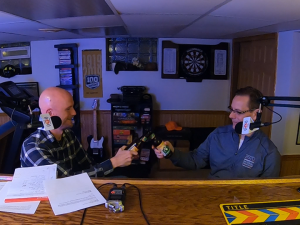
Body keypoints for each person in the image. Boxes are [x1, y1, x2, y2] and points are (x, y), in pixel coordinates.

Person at [153, 86, 281, 179]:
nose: (231, 115)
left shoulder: (269, 151)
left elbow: (267, 190)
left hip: (244, 205)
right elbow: (195, 160)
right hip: (214, 195)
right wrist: (173, 152)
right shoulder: (218, 135)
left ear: (255, 114)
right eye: (231, 109)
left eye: (238, 111)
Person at [20, 87, 137, 177]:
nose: (74, 113)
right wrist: (114, 162)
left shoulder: (68, 135)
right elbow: (65, 181)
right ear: (50, 114)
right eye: (68, 109)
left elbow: (89, 166)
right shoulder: (33, 147)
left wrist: (119, 159)